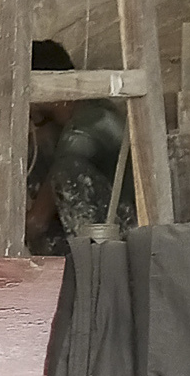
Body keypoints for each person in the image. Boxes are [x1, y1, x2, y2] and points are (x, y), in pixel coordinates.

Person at [26, 38, 134, 255]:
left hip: (124, 235)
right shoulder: (93, 108)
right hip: (115, 217)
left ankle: (78, 267)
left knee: (64, 173)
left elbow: (38, 221)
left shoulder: (83, 129)